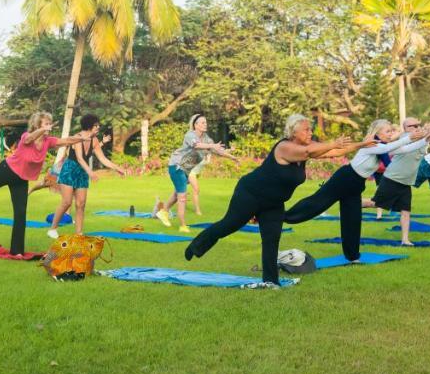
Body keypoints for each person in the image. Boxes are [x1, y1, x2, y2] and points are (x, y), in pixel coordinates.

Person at [185, 114, 356, 286]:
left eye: (310, 129)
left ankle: (270, 281)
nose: (310, 132)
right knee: (228, 225)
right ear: (294, 132)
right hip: (250, 193)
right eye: (306, 129)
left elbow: (333, 152)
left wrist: (364, 144)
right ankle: (196, 246)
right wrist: (333, 142)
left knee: (271, 240)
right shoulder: (284, 147)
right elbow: (308, 152)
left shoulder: (307, 146)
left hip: (274, 203)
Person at [0, 111, 85, 256]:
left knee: (20, 213)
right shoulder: (26, 136)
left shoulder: (48, 141)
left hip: (21, 179)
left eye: (49, 124)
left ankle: (17, 251)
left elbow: (65, 141)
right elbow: (31, 138)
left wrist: (82, 138)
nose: (49, 127)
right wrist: (42, 130)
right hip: (7, 170)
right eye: (46, 123)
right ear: (37, 125)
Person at [282, 118, 413, 261]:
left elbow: (404, 149)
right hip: (345, 178)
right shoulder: (372, 144)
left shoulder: (382, 145)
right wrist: (410, 137)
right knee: (317, 203)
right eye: (388, 131)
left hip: (356, 184)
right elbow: (387, 149)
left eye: (391, 131)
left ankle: (352, 256)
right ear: (378, 132)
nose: (390, 134)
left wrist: (425, 140)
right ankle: (283, 217)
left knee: (353, 219)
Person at [372, 117, 430, 245]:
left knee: (406, 211)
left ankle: (405, 240)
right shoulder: (405, 138)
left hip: (406, 181)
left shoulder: (419, 137)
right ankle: (352, 203)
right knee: (375, 204)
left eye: (418, 125)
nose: (417, 127)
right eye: (413, 126)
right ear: (405, 128)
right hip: (392, 179)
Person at [48, 114, 130, 239]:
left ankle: (79, 234)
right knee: (66, 202)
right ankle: (53, 229)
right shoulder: (78, 138)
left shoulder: (95, 140)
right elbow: (80, 159)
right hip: (69, 170)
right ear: (90, 126)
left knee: (81, 204)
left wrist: (118, 169)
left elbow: (102, 158)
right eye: (96, 125)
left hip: (82, 172)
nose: (98, 127)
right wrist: (91, 172)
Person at [155, 114, 237, 233]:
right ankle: (182, 225)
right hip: (177, 166)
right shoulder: (190, 135)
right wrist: (211, 145)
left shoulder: (206, 138)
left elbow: (217, 150)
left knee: (177, 194)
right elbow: (197, 145)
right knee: (182, 197)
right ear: (196, 125)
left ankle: (163, 212)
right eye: (202, 122)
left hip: (186, 169)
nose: (205, 124)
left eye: (206, 122)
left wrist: (232, 157)